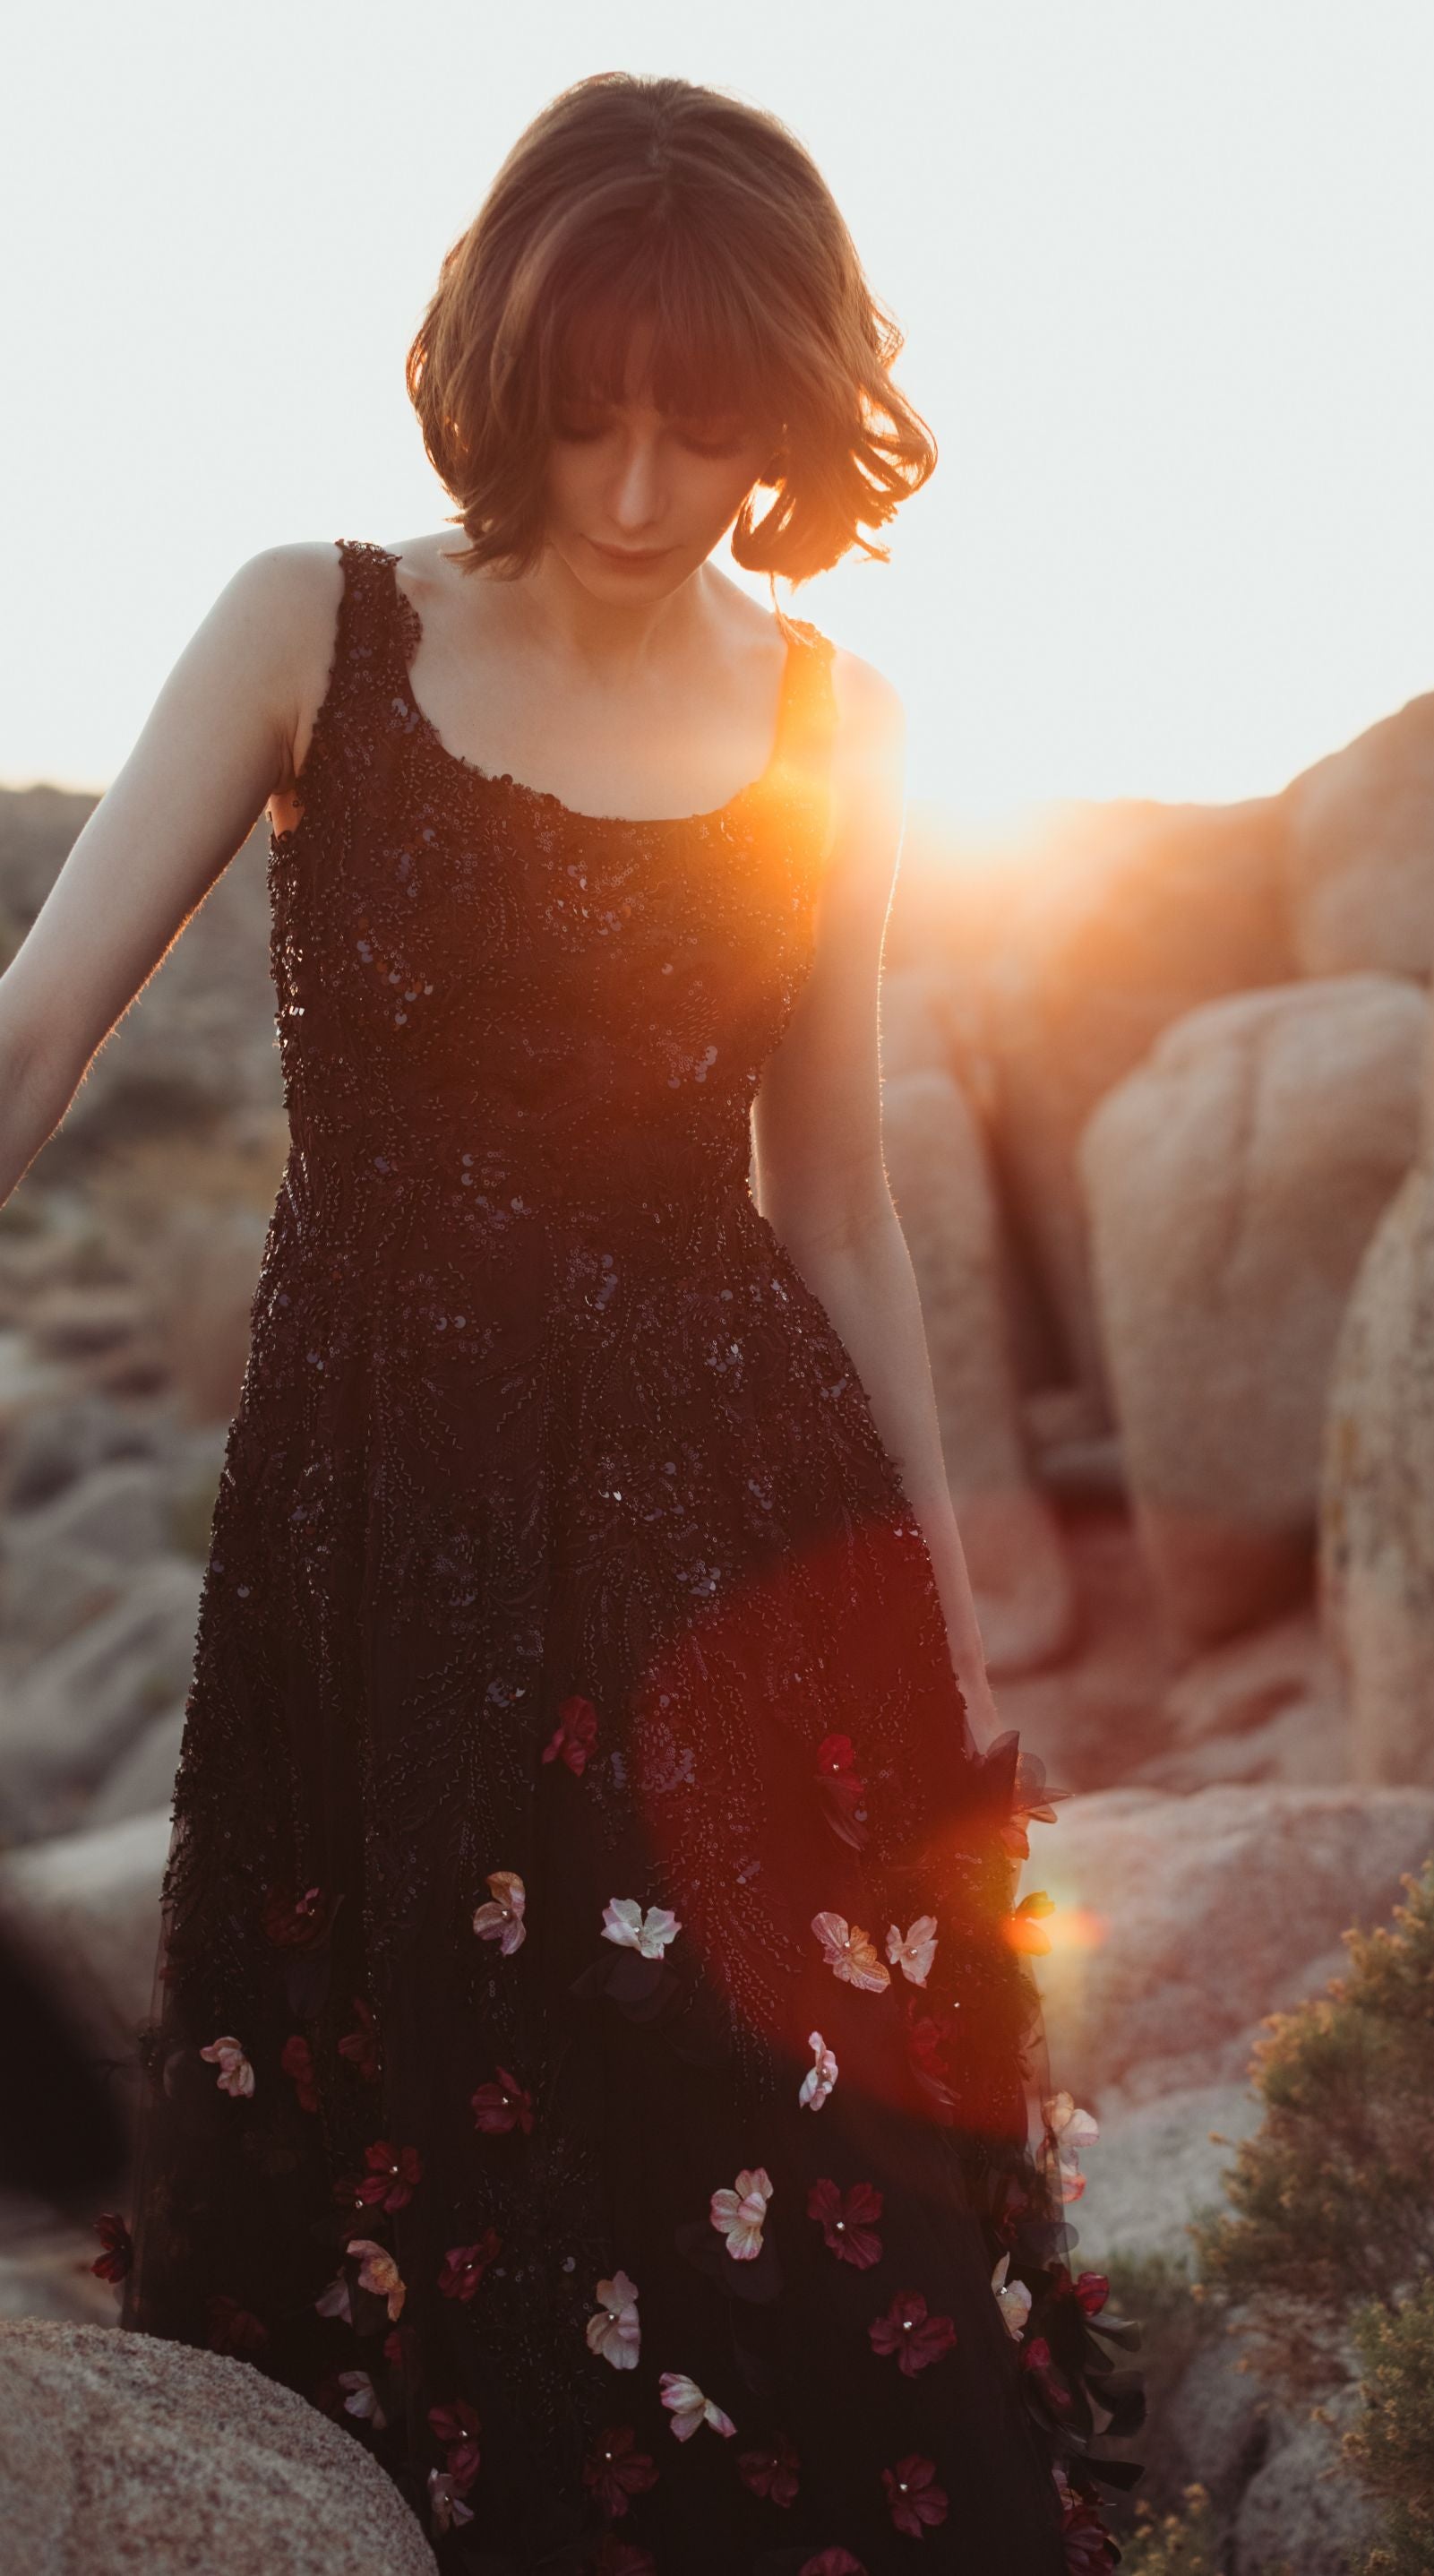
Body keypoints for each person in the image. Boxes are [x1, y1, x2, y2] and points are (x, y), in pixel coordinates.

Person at [0, 72, 1138, 2573]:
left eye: (702, 424)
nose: (637, 487)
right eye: (589, 413)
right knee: (417, 2139)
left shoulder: (840, 720)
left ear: (787, 409)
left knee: (793, 2148)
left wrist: (933, 1607)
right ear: (501, 372)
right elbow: (41, 1022)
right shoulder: (317, 619)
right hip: (382, 1504)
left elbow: (833, 1197)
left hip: (728, 1497)